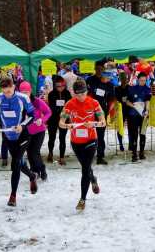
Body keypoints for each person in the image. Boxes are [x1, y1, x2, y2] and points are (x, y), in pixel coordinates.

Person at [0, 76, 37, 207]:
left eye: (9, 91)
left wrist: (22, 125)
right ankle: (32, 176)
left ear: (14, 87)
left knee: (15, 164)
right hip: (8, 136)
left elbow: (33, 116)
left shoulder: (23, 98)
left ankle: (13, 196)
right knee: (19, 163)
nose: (7, 95)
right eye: (4, 92)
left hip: (22, 135)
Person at [59, 78, 105, 211]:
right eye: (77, 94)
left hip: (91, 140)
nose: (80, 97)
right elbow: (60, 122)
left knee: (85, 169)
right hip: (76, 142)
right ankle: (93, 178)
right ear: (73, 93)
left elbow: (103, 122)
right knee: (86, 167)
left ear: (87, 91)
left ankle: (82, 199)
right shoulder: (69, 104)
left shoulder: (94, 102)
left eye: (83, 94)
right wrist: (67, 125)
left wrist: (94, 123)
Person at [19, 81, 51, 181]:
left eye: (26, 92)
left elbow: (48, 112)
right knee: (29, 153)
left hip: (39, 131)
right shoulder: (18, 103)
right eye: (22, 93)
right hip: (26, 132)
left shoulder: (37, 101)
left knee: (34, 152)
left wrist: (42, 120)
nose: (25, 95)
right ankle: (34, 171)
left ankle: (42, 168)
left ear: (30, 91)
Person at [87, 64, 115, 165]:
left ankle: (100, 156)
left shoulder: (110, 85)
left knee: (100, 135)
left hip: (102, 114)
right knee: (90, 135)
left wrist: (108, 112)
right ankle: (89, 155)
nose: (107, 79)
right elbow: (88, 96)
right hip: (91, 113)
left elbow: (112, 100)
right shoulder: (94, 82)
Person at [126, 72, 151, 162]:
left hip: (143, 115)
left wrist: (147, 111)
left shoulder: (147, 89)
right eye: (141, 80)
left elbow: (147, 101)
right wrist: (133, 105)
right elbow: (127, 101)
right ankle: (134, 153)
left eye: (144, 80)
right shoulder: (132, 89)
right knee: (134, 134)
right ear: (137, 79)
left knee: (143, 133)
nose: (143, 82)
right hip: (133, 114)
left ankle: (142, 152)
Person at [47, 77, 72, 165]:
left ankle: (62, 157)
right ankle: (50, 153)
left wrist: (65, 115)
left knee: (62, 138)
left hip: (64, 119)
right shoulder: (51, 94)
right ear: (55, 85)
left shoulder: (67, 93)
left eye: (63, 86)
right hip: (53, 119)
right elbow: (51, 106)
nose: (61, 88)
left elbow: (69, 105)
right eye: (58, 86)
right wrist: (58, 111)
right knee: (51, 137)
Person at [115, 71, 129, 151]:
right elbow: (116, 99)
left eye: (125, 78)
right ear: (120, 79)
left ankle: (131, 144)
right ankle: (120, 144)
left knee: (131, 128)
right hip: (121, 110)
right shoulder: (117, 88)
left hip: (129, 109)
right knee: (120, 128)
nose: (124, 80)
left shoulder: (129, 88)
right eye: (122, 78)